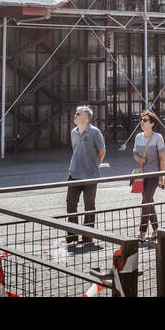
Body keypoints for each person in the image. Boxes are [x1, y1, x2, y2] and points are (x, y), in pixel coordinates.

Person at [66, 105, 106, 244]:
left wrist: (97, 163)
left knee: (89, 206)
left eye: (77, 114)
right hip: (74, 173)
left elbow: (102, 150)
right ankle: (72, 235)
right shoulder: (73, 132)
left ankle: (87, 237)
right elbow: (76, 150)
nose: (74, 116)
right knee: (71, 204)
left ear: (85, 117)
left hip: (90, 175)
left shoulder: (95, 132)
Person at [132, 110, 165, 240]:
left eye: (145, 120)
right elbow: (134, 153)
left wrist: (161, 176)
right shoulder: (138, 137)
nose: (142, 122)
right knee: (149, 202)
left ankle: (142, 232)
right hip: (141, 176)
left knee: (145, 201)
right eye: (141, 120)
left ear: (152, 124)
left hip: (153, 175)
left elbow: (162, 158)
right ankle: (156, 230)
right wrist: (139, 159)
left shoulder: (158, 137)